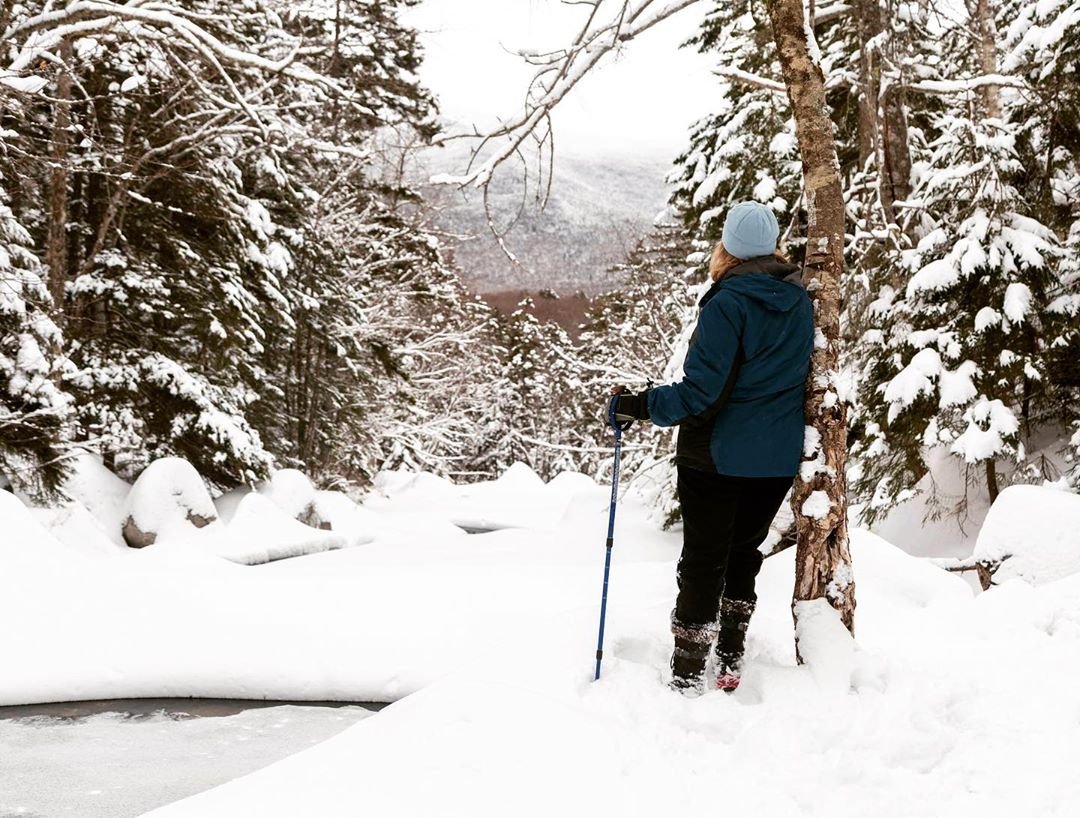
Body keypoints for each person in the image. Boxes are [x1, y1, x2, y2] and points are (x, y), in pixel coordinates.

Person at [612, 201, 814, 696]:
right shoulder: (801, 299)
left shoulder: (728, 303)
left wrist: (639, 405)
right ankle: (729, 658)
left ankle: (687, 672)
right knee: (744, 553)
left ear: (728, 246)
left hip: (717, 455)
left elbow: (702, 393)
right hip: (775, 459)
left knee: (705, 559)